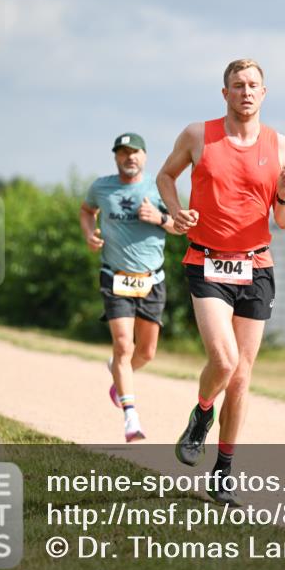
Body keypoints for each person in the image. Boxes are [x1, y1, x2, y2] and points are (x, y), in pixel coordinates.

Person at [157, 59, 285, 506]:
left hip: (256, 267)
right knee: (224, 360)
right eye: (237, 85)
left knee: (242, 377)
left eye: (253, 85)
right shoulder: (198, 135)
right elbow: (165, 176)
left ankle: (223, 472)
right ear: (225, 94)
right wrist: (175, 212)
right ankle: (201, 415)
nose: (246, 92)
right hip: (207, 261)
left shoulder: (283, 146)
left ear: (264, 92)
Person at [81, 132, 179, 442]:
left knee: (146, 352)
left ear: (145, 156)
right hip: (115, 276)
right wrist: (89, 234)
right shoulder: (101, 187)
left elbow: (181, 226)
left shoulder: (158, 186)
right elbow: (87, 211)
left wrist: (159, 217)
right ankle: (131, 418)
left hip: (152, 279)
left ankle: (118, 377)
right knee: (124, 345)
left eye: (134, 152)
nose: (129, 158)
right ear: (116, 157)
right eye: (123, 153)